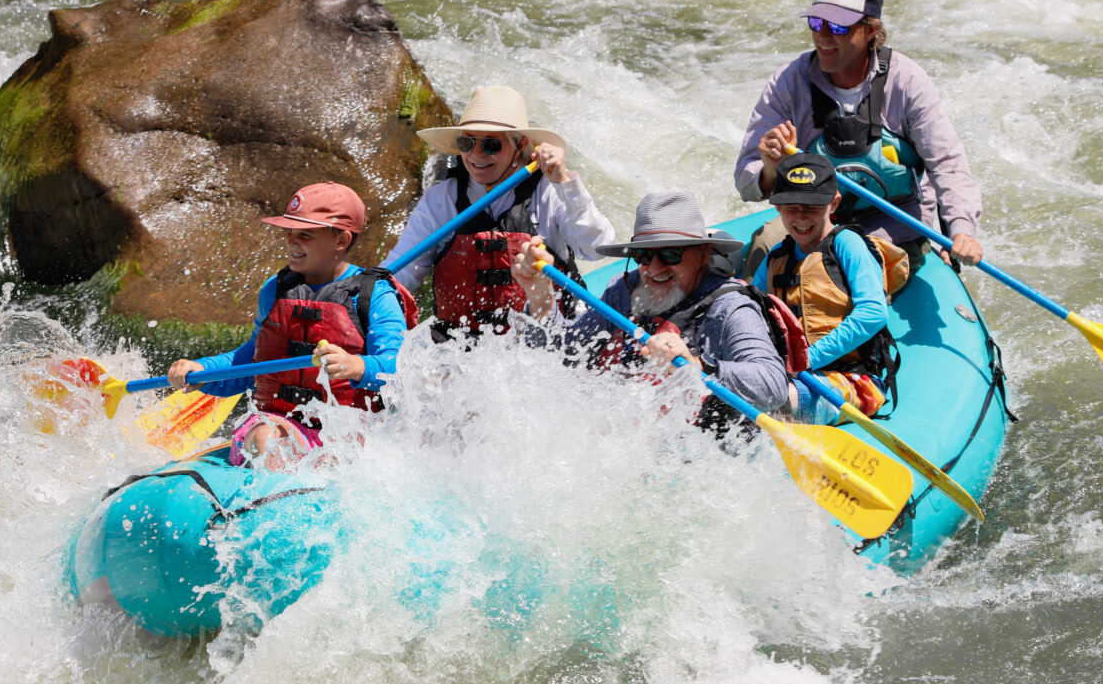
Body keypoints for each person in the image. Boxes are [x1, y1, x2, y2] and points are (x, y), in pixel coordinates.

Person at [734, 0, 984, 280]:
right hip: (810, 216)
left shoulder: (907, 81)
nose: (823, 35)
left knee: (839, 268)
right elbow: (746, 184)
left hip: (892, 225)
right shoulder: (788, 82)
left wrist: (962, 230)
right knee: (764, 246)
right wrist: (771, 168)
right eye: (816, 22)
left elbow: (947, 163)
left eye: (838, 26)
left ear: (871, 30)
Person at [168, 182, 415, 468]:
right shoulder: (275, 289)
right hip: (279, 423)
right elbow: (251, 360)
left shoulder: (376, 295)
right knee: (265, 438)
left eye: (305, 235)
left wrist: (356, 366)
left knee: (330, 458)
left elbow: (400, 369)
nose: (291, 241)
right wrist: (203, 370)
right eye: (289, 232)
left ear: (341, 241)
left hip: (349, 433)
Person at [510, 191, 790, 433]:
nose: (655, 268)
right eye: (644, 256)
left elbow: (773, 385)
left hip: (709, 446)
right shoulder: (624, 290)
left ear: (702, 255)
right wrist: (541, 298)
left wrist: (698, 365)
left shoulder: (730, 306)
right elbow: (565, 358)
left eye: (671, 254)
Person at [381, 85, 615, 339]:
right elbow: (401, 274)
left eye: (491, 144)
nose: (476, 155)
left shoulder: (549, 190)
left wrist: (565, 184)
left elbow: (597, 247)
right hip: (461, 345)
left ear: (520, 144)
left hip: (547, 338)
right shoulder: (441, 198)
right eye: (466, 143)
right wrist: (362, 291)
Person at [751, 155, 902, 424]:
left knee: (783, 400)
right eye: (791, 207)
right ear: (778, 207)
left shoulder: (847, 244)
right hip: (792, 373)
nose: (800, 217)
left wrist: (809, 358)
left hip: (853, 378)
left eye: (811, 207)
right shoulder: (776, 258)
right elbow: (750, 313)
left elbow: (873, 314)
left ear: (833, 203)